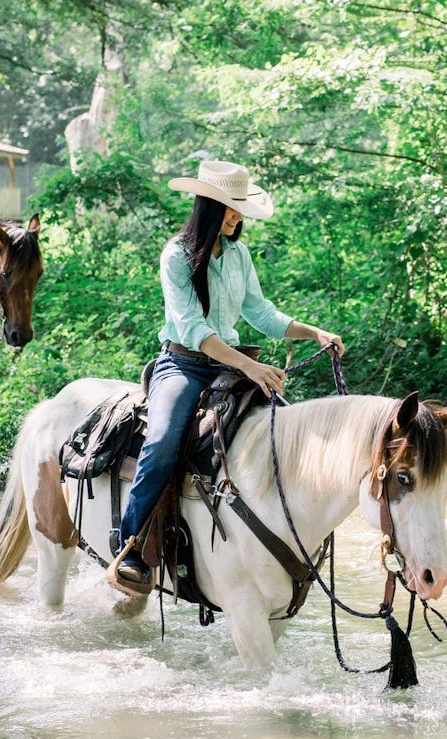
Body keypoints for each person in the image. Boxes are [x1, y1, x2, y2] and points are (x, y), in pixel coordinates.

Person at [109, 160, 345, 595]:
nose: (237, 217)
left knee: (284, 434)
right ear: (208, 207)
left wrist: (315, 333)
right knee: (162, 440)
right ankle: (131, 545)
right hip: (183, 363)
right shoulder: (176, 256)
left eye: (239, 209)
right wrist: (249, 366)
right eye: (230, 208)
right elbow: (195, 330)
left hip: (230, 366)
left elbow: (262, 314)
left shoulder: (238, 255)